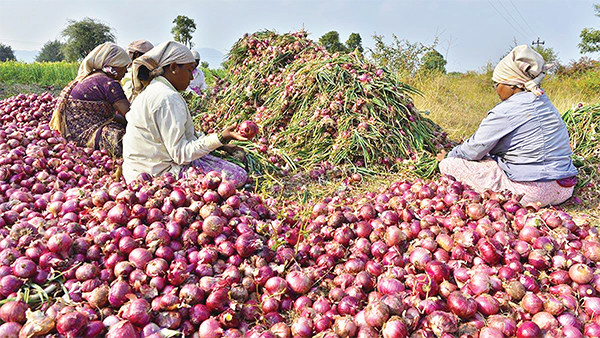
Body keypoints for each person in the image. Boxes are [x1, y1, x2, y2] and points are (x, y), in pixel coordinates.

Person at [439, 45, 578, 207]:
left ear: (512, 84)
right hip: (565, 188)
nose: (497, 90)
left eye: (497, 84)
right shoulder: (544, 102)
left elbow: (473, 151)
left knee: (449, 165)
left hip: (532, 192)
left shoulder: (505, 111)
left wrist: (451, 155)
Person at [122, 41, 248, 187]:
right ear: (174, 67)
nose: (192, 78)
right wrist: (220, 138)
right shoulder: (167, 98)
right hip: (156, 175)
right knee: (237, 175)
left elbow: (180, 136)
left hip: (138, 168)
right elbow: (181, 154)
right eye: (189, 70)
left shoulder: (155, 88)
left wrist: (220, 146)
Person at [50, 42, 131, 157]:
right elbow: (130, 114)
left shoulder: (91, 77)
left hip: (71, 134)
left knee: (121, 123)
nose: (126, 71)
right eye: (124, 67)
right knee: (127, 139)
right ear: (114, 66)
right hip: (87, 136)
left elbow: (105, 116)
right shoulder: (109, 83)